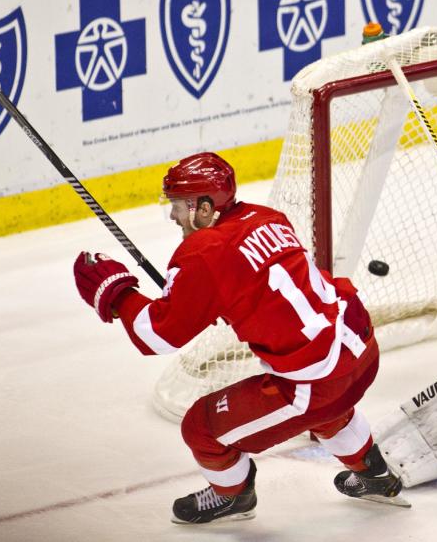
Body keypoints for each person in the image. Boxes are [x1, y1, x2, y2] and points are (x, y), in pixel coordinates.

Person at [72, 152, 408, 525]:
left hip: (318, 380)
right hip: (360, 347)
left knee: (201, 428)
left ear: (203, 208)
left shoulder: (204, 253)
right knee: (327, 409)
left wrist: (116, 292)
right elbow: (259, 282)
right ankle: (374, 472)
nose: (173, 216)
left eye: (179, 207)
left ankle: (232, 496)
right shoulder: (268, 217)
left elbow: (156, 335)